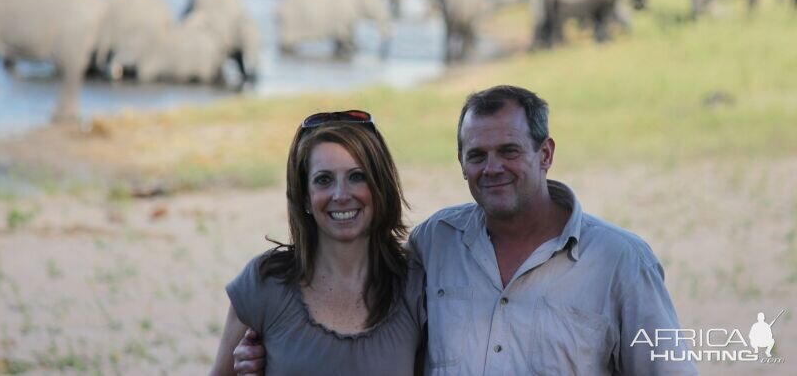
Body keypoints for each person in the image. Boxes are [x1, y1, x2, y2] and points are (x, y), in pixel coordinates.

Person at [234, 86, 695, 375]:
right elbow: (379, 345)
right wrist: (268, 358)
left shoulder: (621, 263)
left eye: (509, 150)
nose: (492, 168)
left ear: (546, 153)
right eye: (477, 155)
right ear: (461, 164)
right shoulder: (434, 244)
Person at [210, 110, 426, 376]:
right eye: (324, 180)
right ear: (304, 197)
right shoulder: (264, 283)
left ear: (380, 186)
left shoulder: (414, 287)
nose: (341, 195)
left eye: (357, 176)